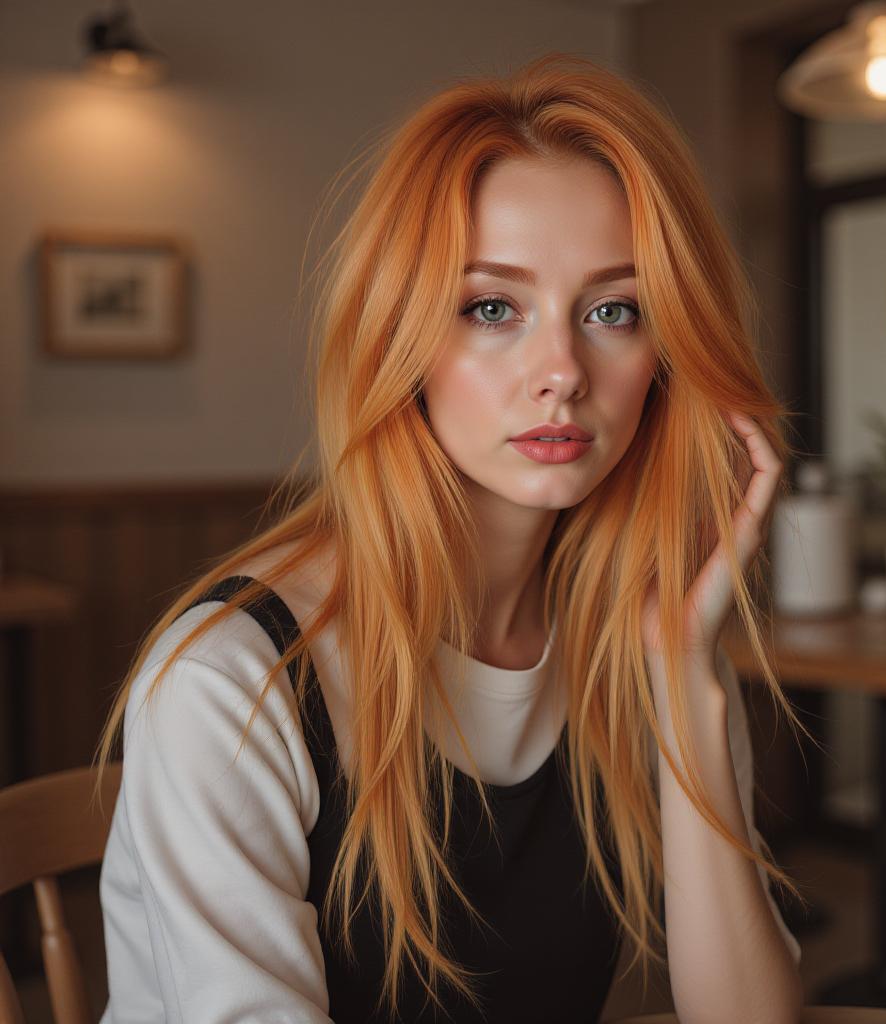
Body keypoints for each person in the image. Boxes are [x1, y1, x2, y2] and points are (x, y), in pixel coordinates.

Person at [94, 52, 811, 1024]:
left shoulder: (612, 632)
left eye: (612, 310)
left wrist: (687, 672)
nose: (559, 370)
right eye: (490, 308)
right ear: (400, 340)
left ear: (666, 354)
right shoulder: (232, 681)